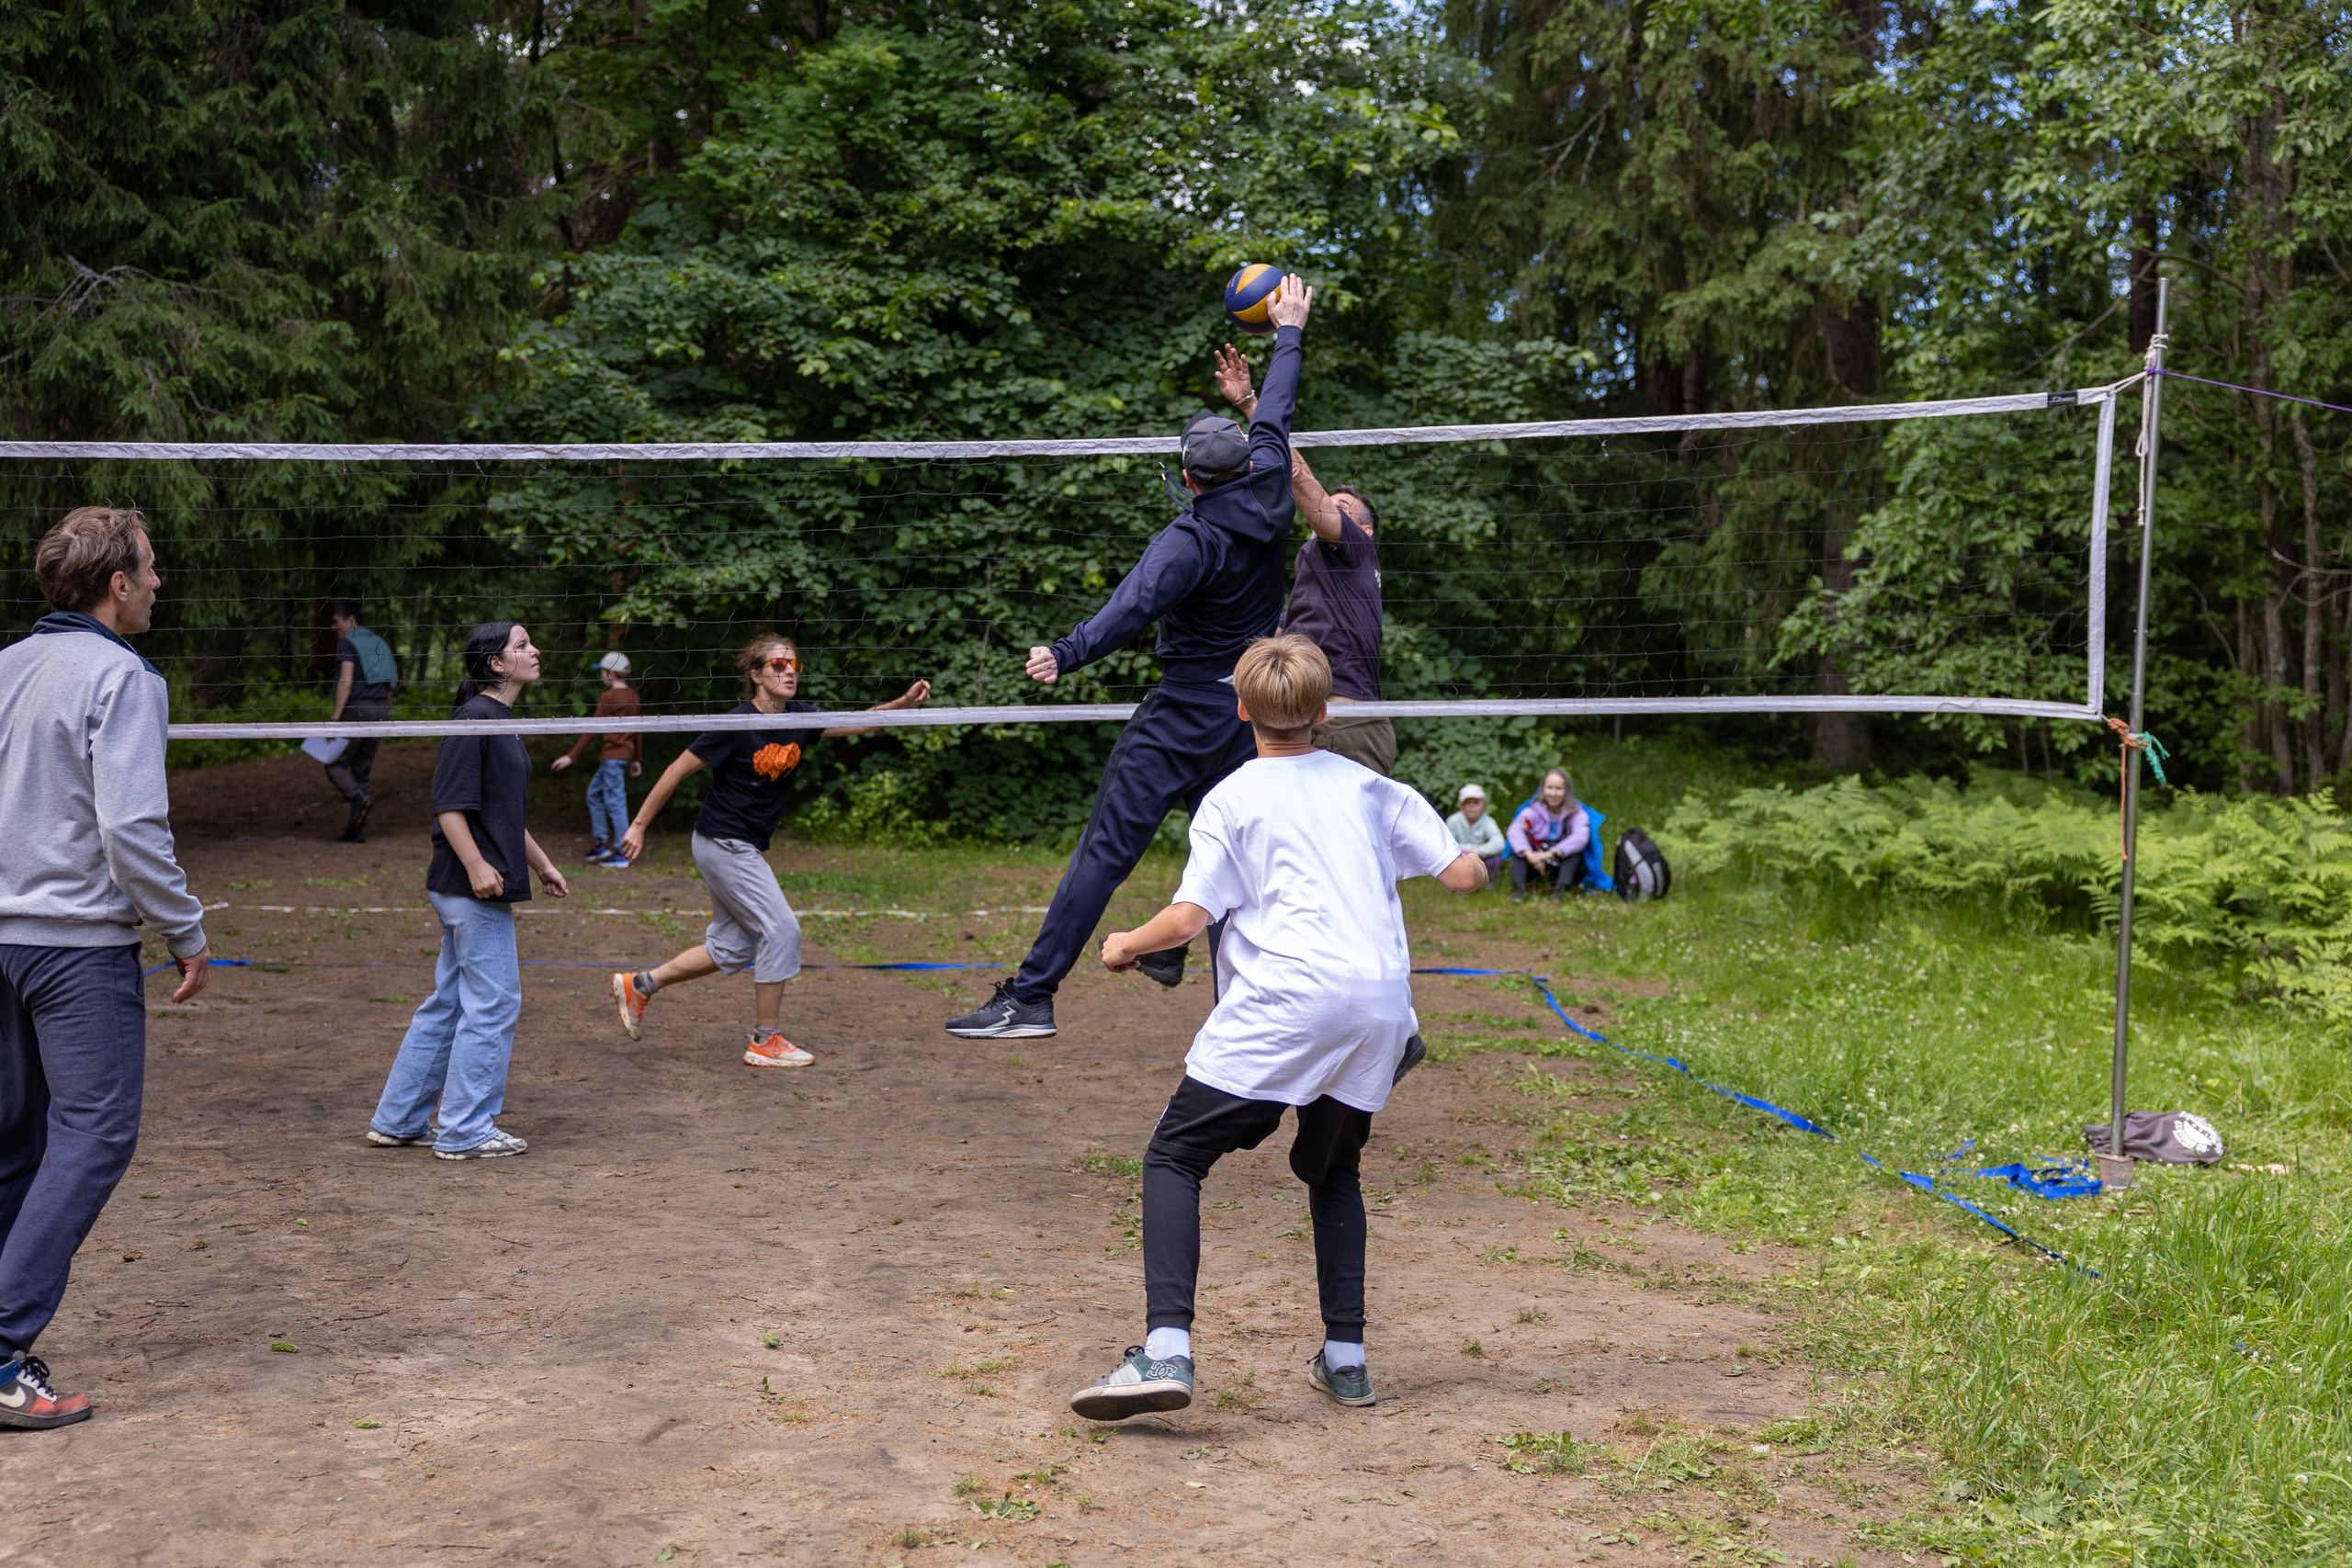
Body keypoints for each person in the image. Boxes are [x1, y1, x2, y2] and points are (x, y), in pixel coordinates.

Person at [1067, 636, 1487, 1422]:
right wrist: (1472, 851)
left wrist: (1124, 943)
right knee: (1331, 1171)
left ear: (1240, 710)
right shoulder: (1373, 787)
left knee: (1175, 1155)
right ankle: (1347, 1359)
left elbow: (1191, 915)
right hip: (1378, 1009)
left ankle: (1166, 1348)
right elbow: (1464, 873)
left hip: (1288, 1004)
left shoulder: (1232, 796)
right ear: (1324, 712)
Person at [944, 275, 1317, 1040]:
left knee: (1105, 852)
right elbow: (1276, 409)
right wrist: (1288, 331)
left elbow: (1132, 606)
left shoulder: (1190, 538)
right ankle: (1241, 998)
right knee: (1236, 861)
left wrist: (1064, 651)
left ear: (1188, 477)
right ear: (1245, 463)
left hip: (1184, 710)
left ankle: (1033, 996)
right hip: (1247, 714)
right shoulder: (1273, 484)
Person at [0, 506, 209, 1429]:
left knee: (16, 1142)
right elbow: (131, 827)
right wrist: (185, 930)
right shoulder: (121, 676)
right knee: (95, 1136)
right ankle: (1, 1352)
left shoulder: (6, 667)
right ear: (115, 584)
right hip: (74, 949)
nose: (159, 584)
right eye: (151, 571)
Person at [610, 635, 929, 1068]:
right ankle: (765, 1039)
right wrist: (639, 825)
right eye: (777, 665)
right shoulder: (736, 724)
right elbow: (675, 770)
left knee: (732, 948)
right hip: (723, 842)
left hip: (737, 844)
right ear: (756, 675)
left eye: (793, 664)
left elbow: (862, 720)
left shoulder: (800, 716)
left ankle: (640, 985)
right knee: (781, 930)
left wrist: (904, 704)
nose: (788, 672)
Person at [367, 622, 569, 1160]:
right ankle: (465, 1129)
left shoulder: (499, 721)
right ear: (496, 665)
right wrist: (478, 865)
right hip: (469, 887)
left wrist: (543, 864)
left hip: (472, 884)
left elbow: (503, 812)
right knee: (495, 1003)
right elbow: (449, 805)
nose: (535, 650)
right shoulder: (476, 718)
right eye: (522, 645)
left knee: (451, 1003)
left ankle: (400, 1119)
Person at [1212, 344, 1392, 775]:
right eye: (1334, 503)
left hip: (1349, 721)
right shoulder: (1318, 567)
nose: (1331, 507)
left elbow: (1300, 478)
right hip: (1298, 718)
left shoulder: (1356, 548)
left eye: (1343, 508)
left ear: (1363, 531)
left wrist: (1251, 406)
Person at [549, 651, 643, 866]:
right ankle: (601, 844)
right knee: (594, 793)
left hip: (612, 757)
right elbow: (639, 730)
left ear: (610, 673)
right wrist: (636, 758)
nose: (601, 675)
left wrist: (571, 756)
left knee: (616, 802)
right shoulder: (633, 696)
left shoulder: (608, 697)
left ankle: (622, 851)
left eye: (602, 671)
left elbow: (592, 729)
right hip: (623, 756)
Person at [323, 601, 398, 842]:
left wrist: (336, 717)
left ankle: (357, 798)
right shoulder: (380, 641)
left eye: (336, 622)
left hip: (356, 710)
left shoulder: (348, 642)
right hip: (380, 711)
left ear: (351, 620)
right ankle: (355, 830)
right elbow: (390, 685)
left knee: (334, 762)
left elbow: (346, 679)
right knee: (361, 769)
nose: (334, 627)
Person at [1507, 768, 1589, 902]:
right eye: (1549, 788)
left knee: (1574, 851)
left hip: (1561, 862)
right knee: (1520, 845)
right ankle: (1519, 890)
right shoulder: (1532, 810)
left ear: (1566, 791)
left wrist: (1548, 855)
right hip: (1535, 862)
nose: (1553, 793)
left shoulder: (1577, 813)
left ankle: (1560, 891)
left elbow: (1580, 837)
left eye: (1558, 789)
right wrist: (1529, 854)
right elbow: (1515, 829)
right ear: (1543, 789)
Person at [1446, 784, 1508, 883]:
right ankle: (1459, 886)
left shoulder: (1488, 821)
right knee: (1455, 859)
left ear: (1483, 805)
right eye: (1467, 803)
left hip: (1481, 857)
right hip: (1461, 858)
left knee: (1495, 857)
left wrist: (1474, 850)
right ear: (1461, 806)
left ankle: (1488, 884)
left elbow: (1499, 843)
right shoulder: (1453, 821)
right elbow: (1447, 846)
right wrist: (1465, 851)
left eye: (1475, 802)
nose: (1471, 806)